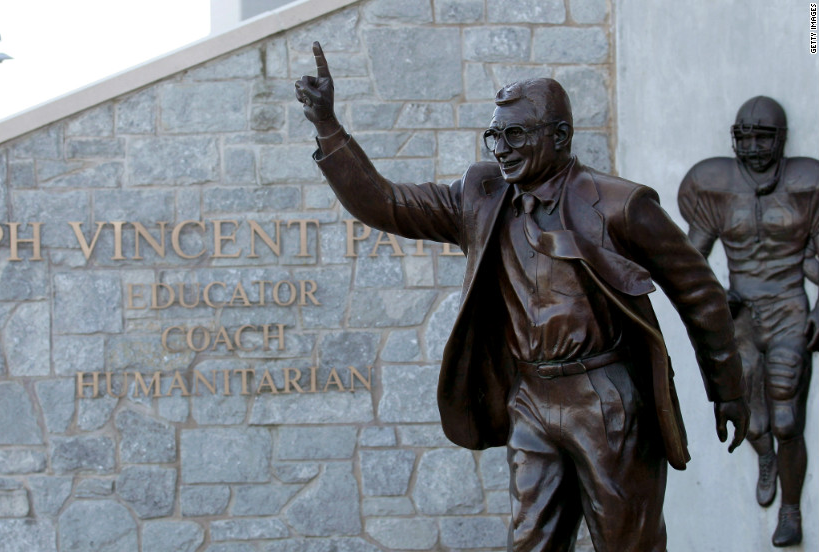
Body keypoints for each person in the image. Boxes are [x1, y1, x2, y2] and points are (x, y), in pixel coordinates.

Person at [295, 42, 749, 551]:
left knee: (629, 544)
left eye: (515, 134)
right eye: (494, 135)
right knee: (531, 545)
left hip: (606, 400)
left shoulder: (622, 206)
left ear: (560, 137)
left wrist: (727, 388)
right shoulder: (481, 197)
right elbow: (388, 204)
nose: (502, 148)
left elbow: (700, 293)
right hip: (530, 401)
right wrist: (328, 126)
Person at [679, 96, 817, 547]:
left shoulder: (808, 183)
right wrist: (715, 296)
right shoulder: (713, 185)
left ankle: (791, 509)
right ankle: (765, 459)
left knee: (785, 419)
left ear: (783, 139)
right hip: (739, 315)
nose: (755, 146)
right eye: (747, 136)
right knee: (752, 424)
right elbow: (689, 258)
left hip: (788, 310)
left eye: (764, 136)